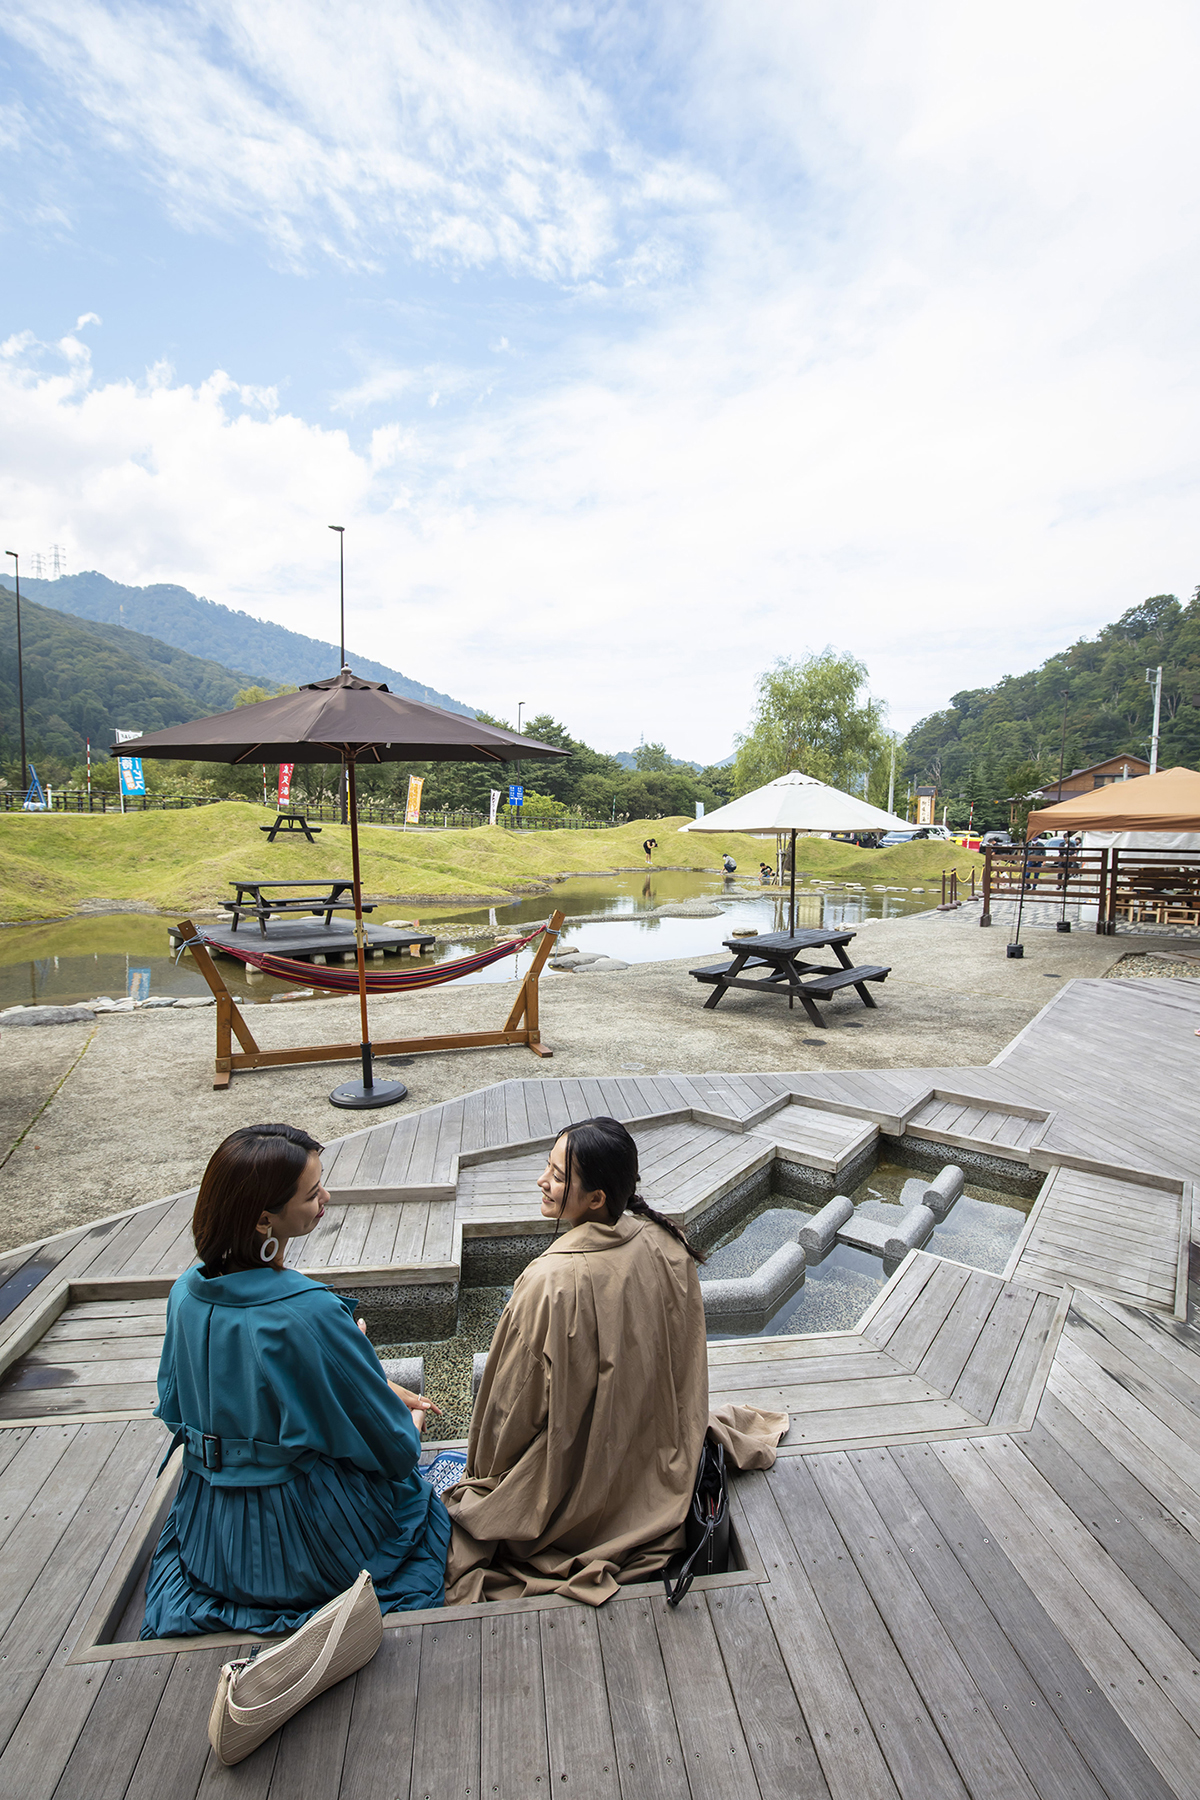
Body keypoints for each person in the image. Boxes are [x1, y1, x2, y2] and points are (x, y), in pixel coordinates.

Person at [141, 1123, 451, 1638]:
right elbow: (393, 1451)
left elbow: (177, 1406)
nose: (326, 1197)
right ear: (266, 1220)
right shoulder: (310, 1313)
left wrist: (341, 1371)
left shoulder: (185, 1295)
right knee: (416, 1502)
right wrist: (391, 1403)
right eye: (313, 1193)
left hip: (211, 1538)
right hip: (308, 1544)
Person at [441, 1116, 710, 1605]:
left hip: (578, 1494)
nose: (542, 1182)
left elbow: (509, 1413)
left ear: (596, 1198)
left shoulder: (550, 1284)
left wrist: (489, 1482)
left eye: (559, 1176)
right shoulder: (665, 1243)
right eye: (547, 1167)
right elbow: (684, 1365)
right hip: (651, 1454)